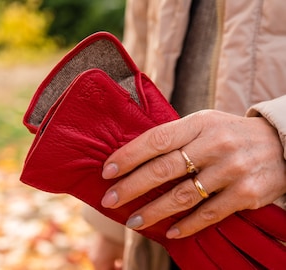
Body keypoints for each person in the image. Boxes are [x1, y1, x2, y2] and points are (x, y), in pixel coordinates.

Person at [83, 0, 286, 269]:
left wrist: (279, 136)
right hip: (166, 229)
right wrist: (112, 225)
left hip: (270, 226)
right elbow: (142, 49)